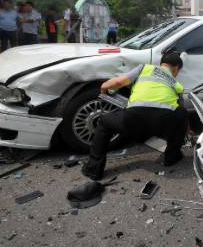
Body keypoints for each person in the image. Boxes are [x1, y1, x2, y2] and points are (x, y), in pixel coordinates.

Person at [81, 53, 188, 181]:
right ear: (176, 68)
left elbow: (119, 82)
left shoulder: (144, 68)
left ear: (161, 64)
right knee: (182, 113)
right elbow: (180, 112)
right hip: (162, 125)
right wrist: (187, 129)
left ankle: (93, 170)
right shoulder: (177, 84)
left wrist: (104, 88)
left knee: (104, 123)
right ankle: (172, 157)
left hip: (134, 119)